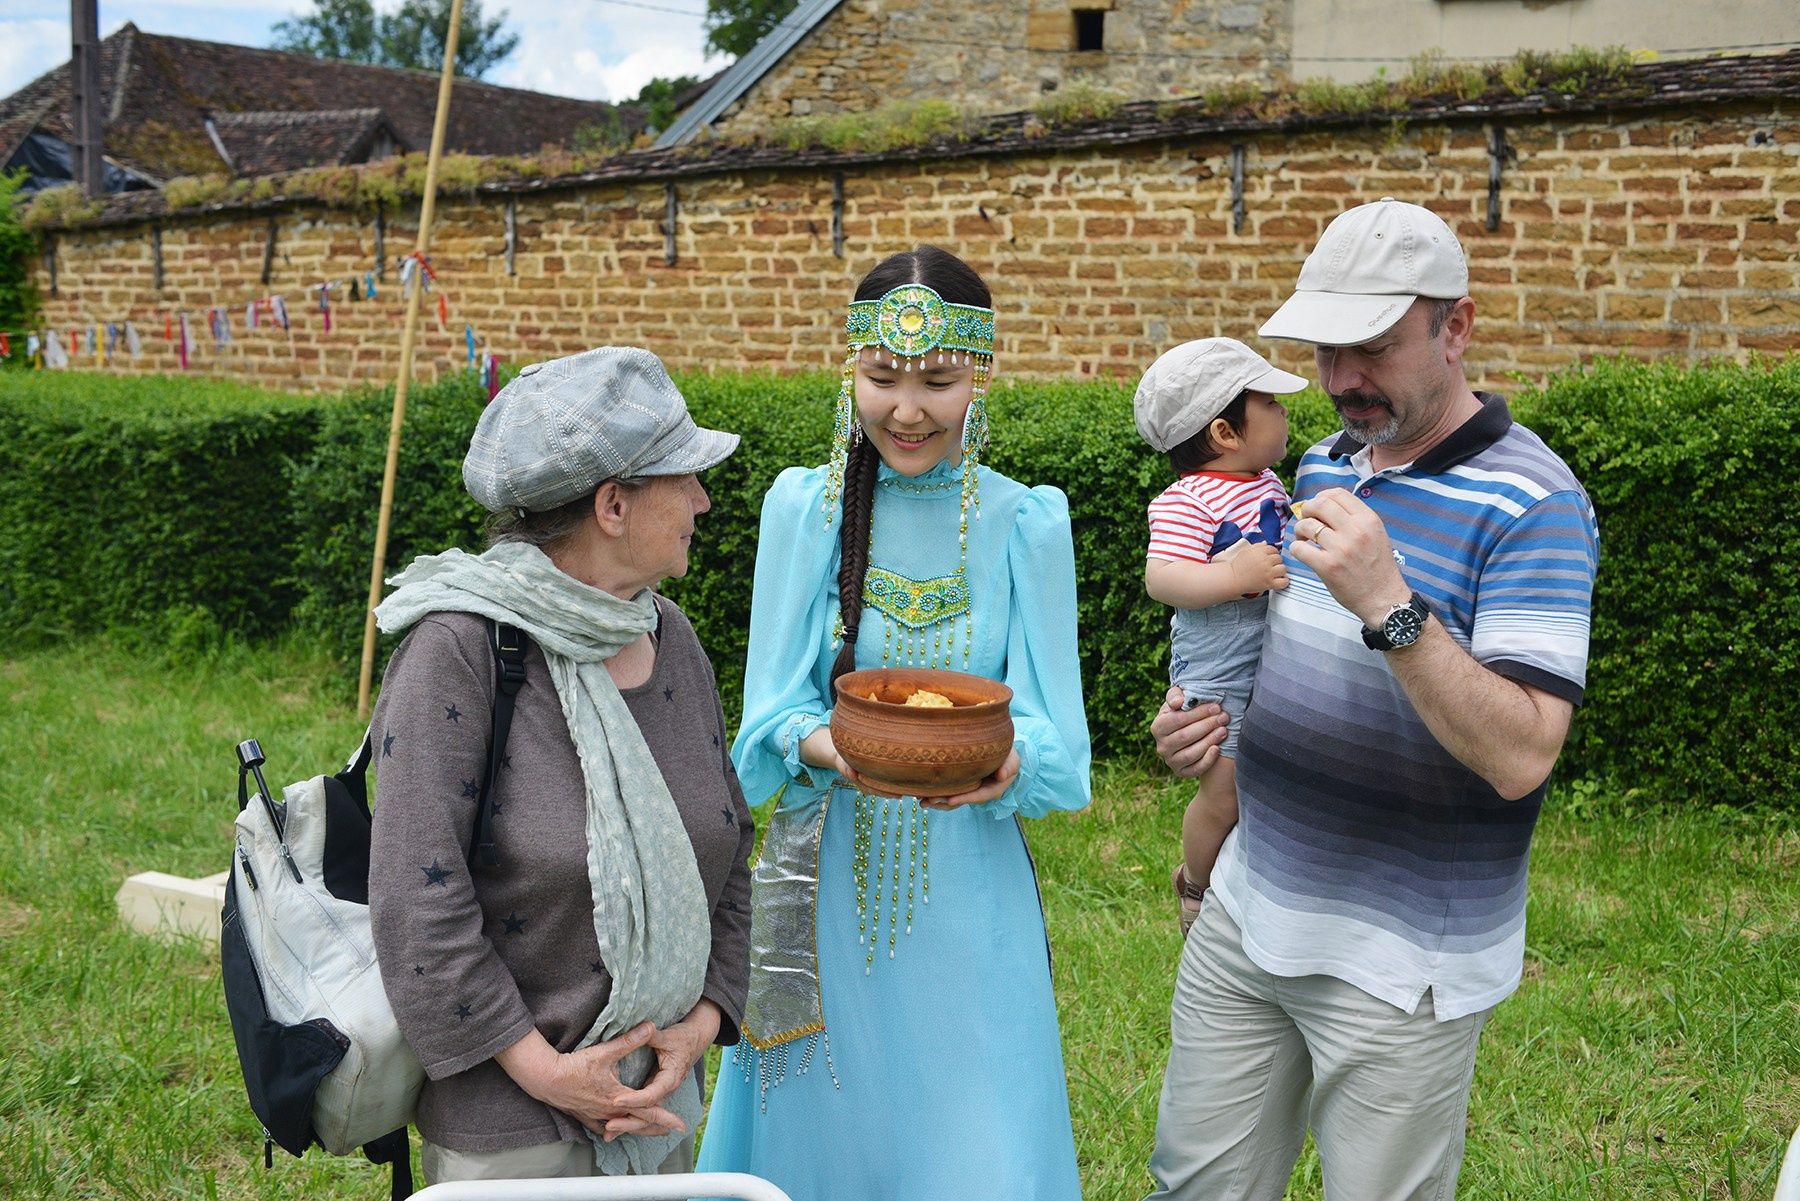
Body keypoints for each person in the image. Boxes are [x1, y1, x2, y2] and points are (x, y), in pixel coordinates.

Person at [1145, 199, 1600, 1201]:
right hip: (1248, 909)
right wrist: (1203, 720)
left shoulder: (1536, 506)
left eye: (1375, 347)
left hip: (1403, 965)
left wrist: (1391, 605)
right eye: (1326, 351)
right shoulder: (1320, 464)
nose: (1344, 379)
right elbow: (1279, 652)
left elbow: (1523, 752)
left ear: (1456, 327)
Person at [695, 246, 1091, 1200]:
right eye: (882, 379)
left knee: (978, 1148)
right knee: (823, 1150)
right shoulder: (805, 511)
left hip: (970, 895)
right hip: (824, 886)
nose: (907, 410)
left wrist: (1002, 764)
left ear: (979, 376)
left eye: (937, 381)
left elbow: (1061, 752)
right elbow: (764, 728)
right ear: (850, 373)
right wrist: (830, 745)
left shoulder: (1025, 524)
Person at [365, 346, 755, 1184]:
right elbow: (416, 901)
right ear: (613, 504)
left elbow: (729, 846)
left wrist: (703, 1021)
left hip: (660, 1114)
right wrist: (552, 1077)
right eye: (683, 478)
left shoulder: (669, 636)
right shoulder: (458, 652)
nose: (703, 499)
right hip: (511, 1135)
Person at [1133, 338, 1308, 935]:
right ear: (1225, 433)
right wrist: (1232, 575)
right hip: (1221, 660)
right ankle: (1196, 887)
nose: (1286, 415)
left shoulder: (1266, 481)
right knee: (1225, 786)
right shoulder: (1188, 499)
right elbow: (1163, 578)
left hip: (1268, 648)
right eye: (1272, 405)